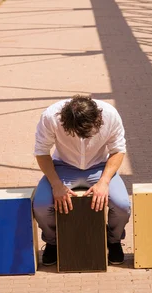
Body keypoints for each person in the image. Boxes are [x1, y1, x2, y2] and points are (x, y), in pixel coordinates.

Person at [33, 95, 131, 266]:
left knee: (122, 205)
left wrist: (104, 182)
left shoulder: (111, 115)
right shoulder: (50, 117)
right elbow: (41, 152)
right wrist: (56, 184)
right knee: (40, 205)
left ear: (98, 119)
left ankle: (113, 241)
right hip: (63, 166)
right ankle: (53, 241)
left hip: (100, 167)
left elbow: (118, 150)